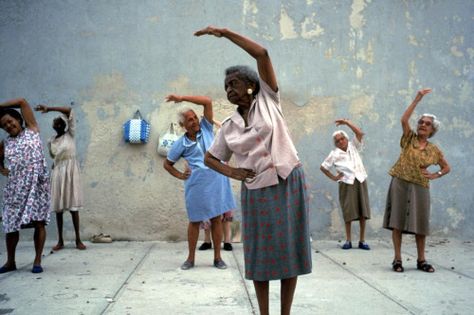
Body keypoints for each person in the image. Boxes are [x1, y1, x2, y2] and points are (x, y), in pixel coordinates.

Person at [197, 26, 312, 315]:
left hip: (288, 181)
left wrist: (223, 33)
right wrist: (233, 172)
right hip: (257, 191)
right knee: (260, 255)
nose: (229, 90)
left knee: (289, 251)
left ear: (251, 85)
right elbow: (210, 158)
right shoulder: (229, 126)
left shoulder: (269, 99)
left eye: (233, 84)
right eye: (225, 87)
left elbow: (261, 53)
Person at [163, 94, 236, 270]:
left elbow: (207, 102)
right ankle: (190, 258)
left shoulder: (206, 128)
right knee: (194, 221)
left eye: (195, 117)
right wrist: (181, 175)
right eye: (190, 120)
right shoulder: (180, 143)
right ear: (183, 126)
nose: (195, 121)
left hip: (217, 181)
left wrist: (181, 98)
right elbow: (167, 164)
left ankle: (218, 258)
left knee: (217, 219)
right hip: (196, 185)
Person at [383, 89, 450, 273]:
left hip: (421, 187)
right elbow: (404, 120)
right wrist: (417, 99)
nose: (422, 125)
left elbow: (446, 167)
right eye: (421, 122)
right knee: (397, 221)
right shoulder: (409, 138)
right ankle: (397, 259)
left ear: (432, 129)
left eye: (427, 124)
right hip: (400, 183)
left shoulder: (434, 149)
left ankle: (421, 260)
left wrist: (436, 175)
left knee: (420, 224)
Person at [0, 98, 50, 274]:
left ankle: (37, 261)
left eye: (10, 121)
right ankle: (10, 261)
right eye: (4, 125)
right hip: (15, 189)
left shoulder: (32, 129)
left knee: (39, 223)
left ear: (18, 119)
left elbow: (22, 102)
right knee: (11, 225)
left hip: (37, 186)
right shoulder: (6, 143)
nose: (8, 125)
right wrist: (2, 169)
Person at [35, 105, 86, 251]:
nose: (58, 125)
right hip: (57, 172)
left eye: (60, 123)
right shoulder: (51, 140)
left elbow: (70, 111)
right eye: (55, 124)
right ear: (53, 126)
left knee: (73, 207)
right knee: (58, 209)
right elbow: (54, 158)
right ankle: (60, 241)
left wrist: (50, 108)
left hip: (71, 171)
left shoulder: (70, 134)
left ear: (65, 124)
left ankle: (78, 239)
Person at [320, 119, 371, 250]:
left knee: (362, 212)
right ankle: (348, 240)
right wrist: (334, 177)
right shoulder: (334, 154)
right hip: (346, 183)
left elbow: (359, 133)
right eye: (337, 141)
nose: (340, 142)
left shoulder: (354, 146)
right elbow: (324, 167)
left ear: (347, 139)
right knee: (348, 212)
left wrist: (346, 123)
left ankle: (362, 240)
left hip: (360, 180)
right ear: (335, 144)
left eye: (342, 138)